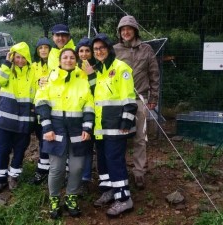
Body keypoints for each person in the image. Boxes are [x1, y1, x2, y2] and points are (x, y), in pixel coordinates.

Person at [34, 48, 95, 219]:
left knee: (77, 168)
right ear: (60, 60)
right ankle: (54, 199)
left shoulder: (82, 79)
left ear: (76, 60)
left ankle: (71, 197)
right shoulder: (48, 80)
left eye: (72, 58)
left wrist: (87, 128)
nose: (68, 60)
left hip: (77, 130)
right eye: (65, 57)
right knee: (57, 168)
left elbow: (89, 105)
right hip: (55, 130)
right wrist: (47, 128)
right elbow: (41, 103)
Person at [89, 33, 137, 217]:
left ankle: (124, 199)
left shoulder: (121, 68)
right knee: (102, 160)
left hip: (117, 126)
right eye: (96, 49)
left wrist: (126, 120)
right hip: (101, 126)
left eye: (102, 48)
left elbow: (129, 98)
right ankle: (109, 191)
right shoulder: (99, 70)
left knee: (115, 161)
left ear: (109, 49)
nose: (99, 51)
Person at [113, 15, 160, 189]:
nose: (126, 32)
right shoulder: (114, 50)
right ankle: (120, 170)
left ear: (135, 31)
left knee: (140, 138)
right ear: (119, 32)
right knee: (120, 137)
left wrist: (153, 98)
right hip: (119, 101)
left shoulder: (146, 49)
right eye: (123, 29)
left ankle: (139, 172)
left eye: (129, 29)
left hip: (140, 99)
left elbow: (154, 75)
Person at [0, 42, 36, 193]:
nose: (20, 61)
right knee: (2, 150)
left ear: (28, 58)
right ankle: (0, 180)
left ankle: (13, 177)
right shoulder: (8, 70)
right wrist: (6, 63)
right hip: (5, 121)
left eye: (23, 58)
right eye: (17, 57)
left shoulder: (33, 72)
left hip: (24, 122)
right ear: (12, 57)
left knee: (19, 150)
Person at [75, 37, 96, 195]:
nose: (84, 54)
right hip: (75, 114)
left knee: (87, 147)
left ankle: (85, 179)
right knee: (75, 146)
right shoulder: (72, 68)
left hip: (92, 113)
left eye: (87, 50)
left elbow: (97, 91)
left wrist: (91, 75)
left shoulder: (98, 68)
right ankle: (72, 176)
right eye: (81, 51)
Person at [30, 37, 52, 185]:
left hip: (53, 107)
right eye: (40, 48)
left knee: (49, 139)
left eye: (46, 47)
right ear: (37, 51)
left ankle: (46, 170)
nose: (43, 50)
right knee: (42, 139)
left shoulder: (55, 64)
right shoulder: (33, 66)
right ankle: (44, 168)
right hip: (37, 107)